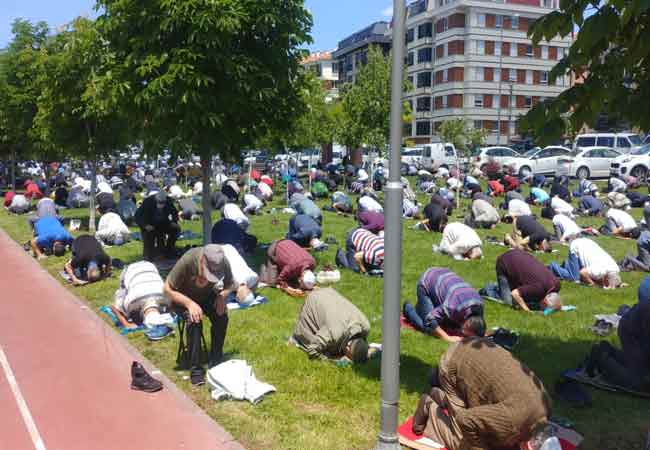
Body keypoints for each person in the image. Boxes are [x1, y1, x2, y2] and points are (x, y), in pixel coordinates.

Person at [411, 338, 552, 450]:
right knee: (462, 443)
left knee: (494, 436)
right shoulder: (511, 422)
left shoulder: (547, 406)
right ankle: (430, 407)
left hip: (478, 347)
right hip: (454, 365)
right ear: (528, 446)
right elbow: (465, 419)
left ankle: (441, 395)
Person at [164, 245, 234, 385]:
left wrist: (221, 297)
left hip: (206, 295)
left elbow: (230, 284)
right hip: (182, 298)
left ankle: (216, 359)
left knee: (221, 316)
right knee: (194, 320)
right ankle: (196, 369)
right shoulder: (188, 260)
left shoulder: (222, 261)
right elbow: (167, 289)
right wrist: (189, 304)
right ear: (202, 260)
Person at [584, 277, 650, 392]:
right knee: (638, 383)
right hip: (631, 331)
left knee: (641, 366)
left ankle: (607, 350)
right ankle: (601, 356)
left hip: (637, 326)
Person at [403, 268, 485, 342]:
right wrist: (447, 337)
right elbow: (430, 319)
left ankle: (421, 308)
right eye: (466, 336)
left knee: (448, 324)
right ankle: (408, 309)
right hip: (427, 281)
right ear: (466, 325)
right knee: (428, 328)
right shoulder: (452, 306)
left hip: (442, 277)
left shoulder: (480, 306)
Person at [291, 287, 370, 362]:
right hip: (315, 299)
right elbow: (312, 350)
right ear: (348, 348)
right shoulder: (334, 333)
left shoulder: (366, 326)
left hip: (329, 292)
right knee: (307, 334)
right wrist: (331, 360)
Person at [483, 249, 562, 312]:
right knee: (509, 302)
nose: (543, 311)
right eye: (545, 309)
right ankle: (489, 289)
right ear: (545, 302)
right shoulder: (538, 288)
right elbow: (514, 294)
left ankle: (504, 286)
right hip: (504, 262)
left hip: (519, 255)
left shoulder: (557, 284)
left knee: (529, 299)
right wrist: (527, 311)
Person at [112, 261, 172, 330]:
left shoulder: (167, 298)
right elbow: (114, 308)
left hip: (149, 266)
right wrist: (126, 324)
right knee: (122, 294)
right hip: (131, 270)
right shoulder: (131, 303)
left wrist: (127, 323)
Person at [549, 238, 622, 288]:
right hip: (577, 246)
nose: (605, 286)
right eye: (606, 284)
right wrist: (592, 284)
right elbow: (583, 273)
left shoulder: (615, 269)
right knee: (575, 279)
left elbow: (613, 278)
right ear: (606, 278)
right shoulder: (599, 270)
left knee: (577, 273)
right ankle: (553, 266)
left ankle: (569, 265)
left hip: (587, 244)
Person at [135, 191, 180, 261]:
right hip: (149, 225)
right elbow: (137, 216)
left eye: (163, 202)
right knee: (149, 252)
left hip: (162, 224)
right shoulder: (148, 202)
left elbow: (175, 213)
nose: (161, 204)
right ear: (155, 200)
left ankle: (169, 250)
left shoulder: (168, 201)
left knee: (176, 229)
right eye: (159, 202)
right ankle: (149, 254)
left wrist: (174, 222)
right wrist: (145, 225)